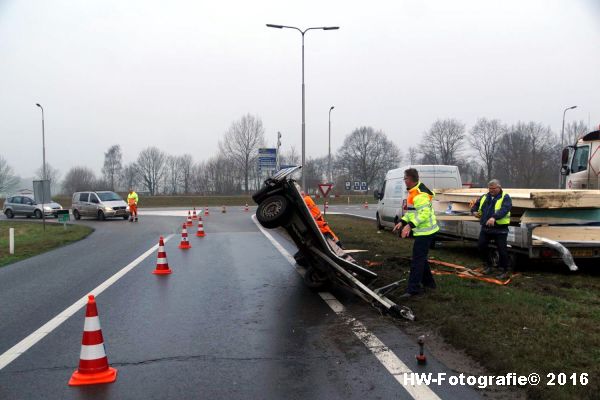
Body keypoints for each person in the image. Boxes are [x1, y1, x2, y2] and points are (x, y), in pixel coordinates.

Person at [393, 168, 439, 298]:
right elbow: (412, 212)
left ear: (412, 179)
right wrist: (402, 222)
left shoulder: (420, 195)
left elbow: (424, 214)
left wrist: (410, 226)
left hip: (426, 232)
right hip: (423, 231)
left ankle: (413, 289)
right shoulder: (413, 192)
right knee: (421, 259)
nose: (404, 181)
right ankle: (430, 284)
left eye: (405, 178)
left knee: (417, 261)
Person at [471, 179, 512, 279]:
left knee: (502, 250)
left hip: (500, 229)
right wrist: (474, 211)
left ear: (499, 187)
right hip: (486, 227)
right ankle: (488, 266)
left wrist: (494, 217)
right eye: (490, 188)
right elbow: (475, 205)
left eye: (493, 188)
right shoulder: (485, 196)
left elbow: (504, 209)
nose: (491, 190)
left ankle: (504, 270)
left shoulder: (505, 197)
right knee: (481, 246)